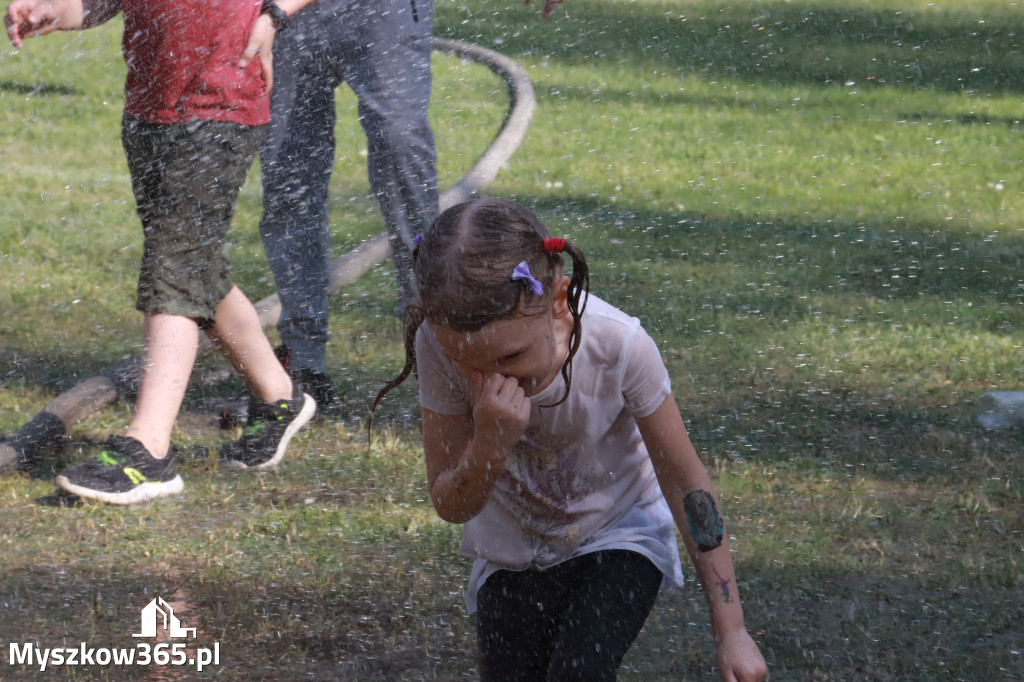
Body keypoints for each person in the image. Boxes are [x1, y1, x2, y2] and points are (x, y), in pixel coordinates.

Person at [374, 198, 768, 681]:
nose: (492, 380)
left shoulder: (618, 346)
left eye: (511, 355)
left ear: (558, 299)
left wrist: (732, 631)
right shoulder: (436, 346)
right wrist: (489, 446)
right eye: (468, 363)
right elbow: (451, 504)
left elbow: (688, 486)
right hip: (512, 549)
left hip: (621, 530)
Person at [5, 0, 318, 504]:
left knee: (172, 268)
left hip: (220, 105)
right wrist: (51, 11)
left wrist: (274, 14)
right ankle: (279, 396)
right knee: (195, 266)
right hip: (151, 111)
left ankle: (148, 451)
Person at [258, 0, 568, 415]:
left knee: (399, 141)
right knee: (288, 176)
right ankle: (303, 360)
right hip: (284, 14)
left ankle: (437, 335)